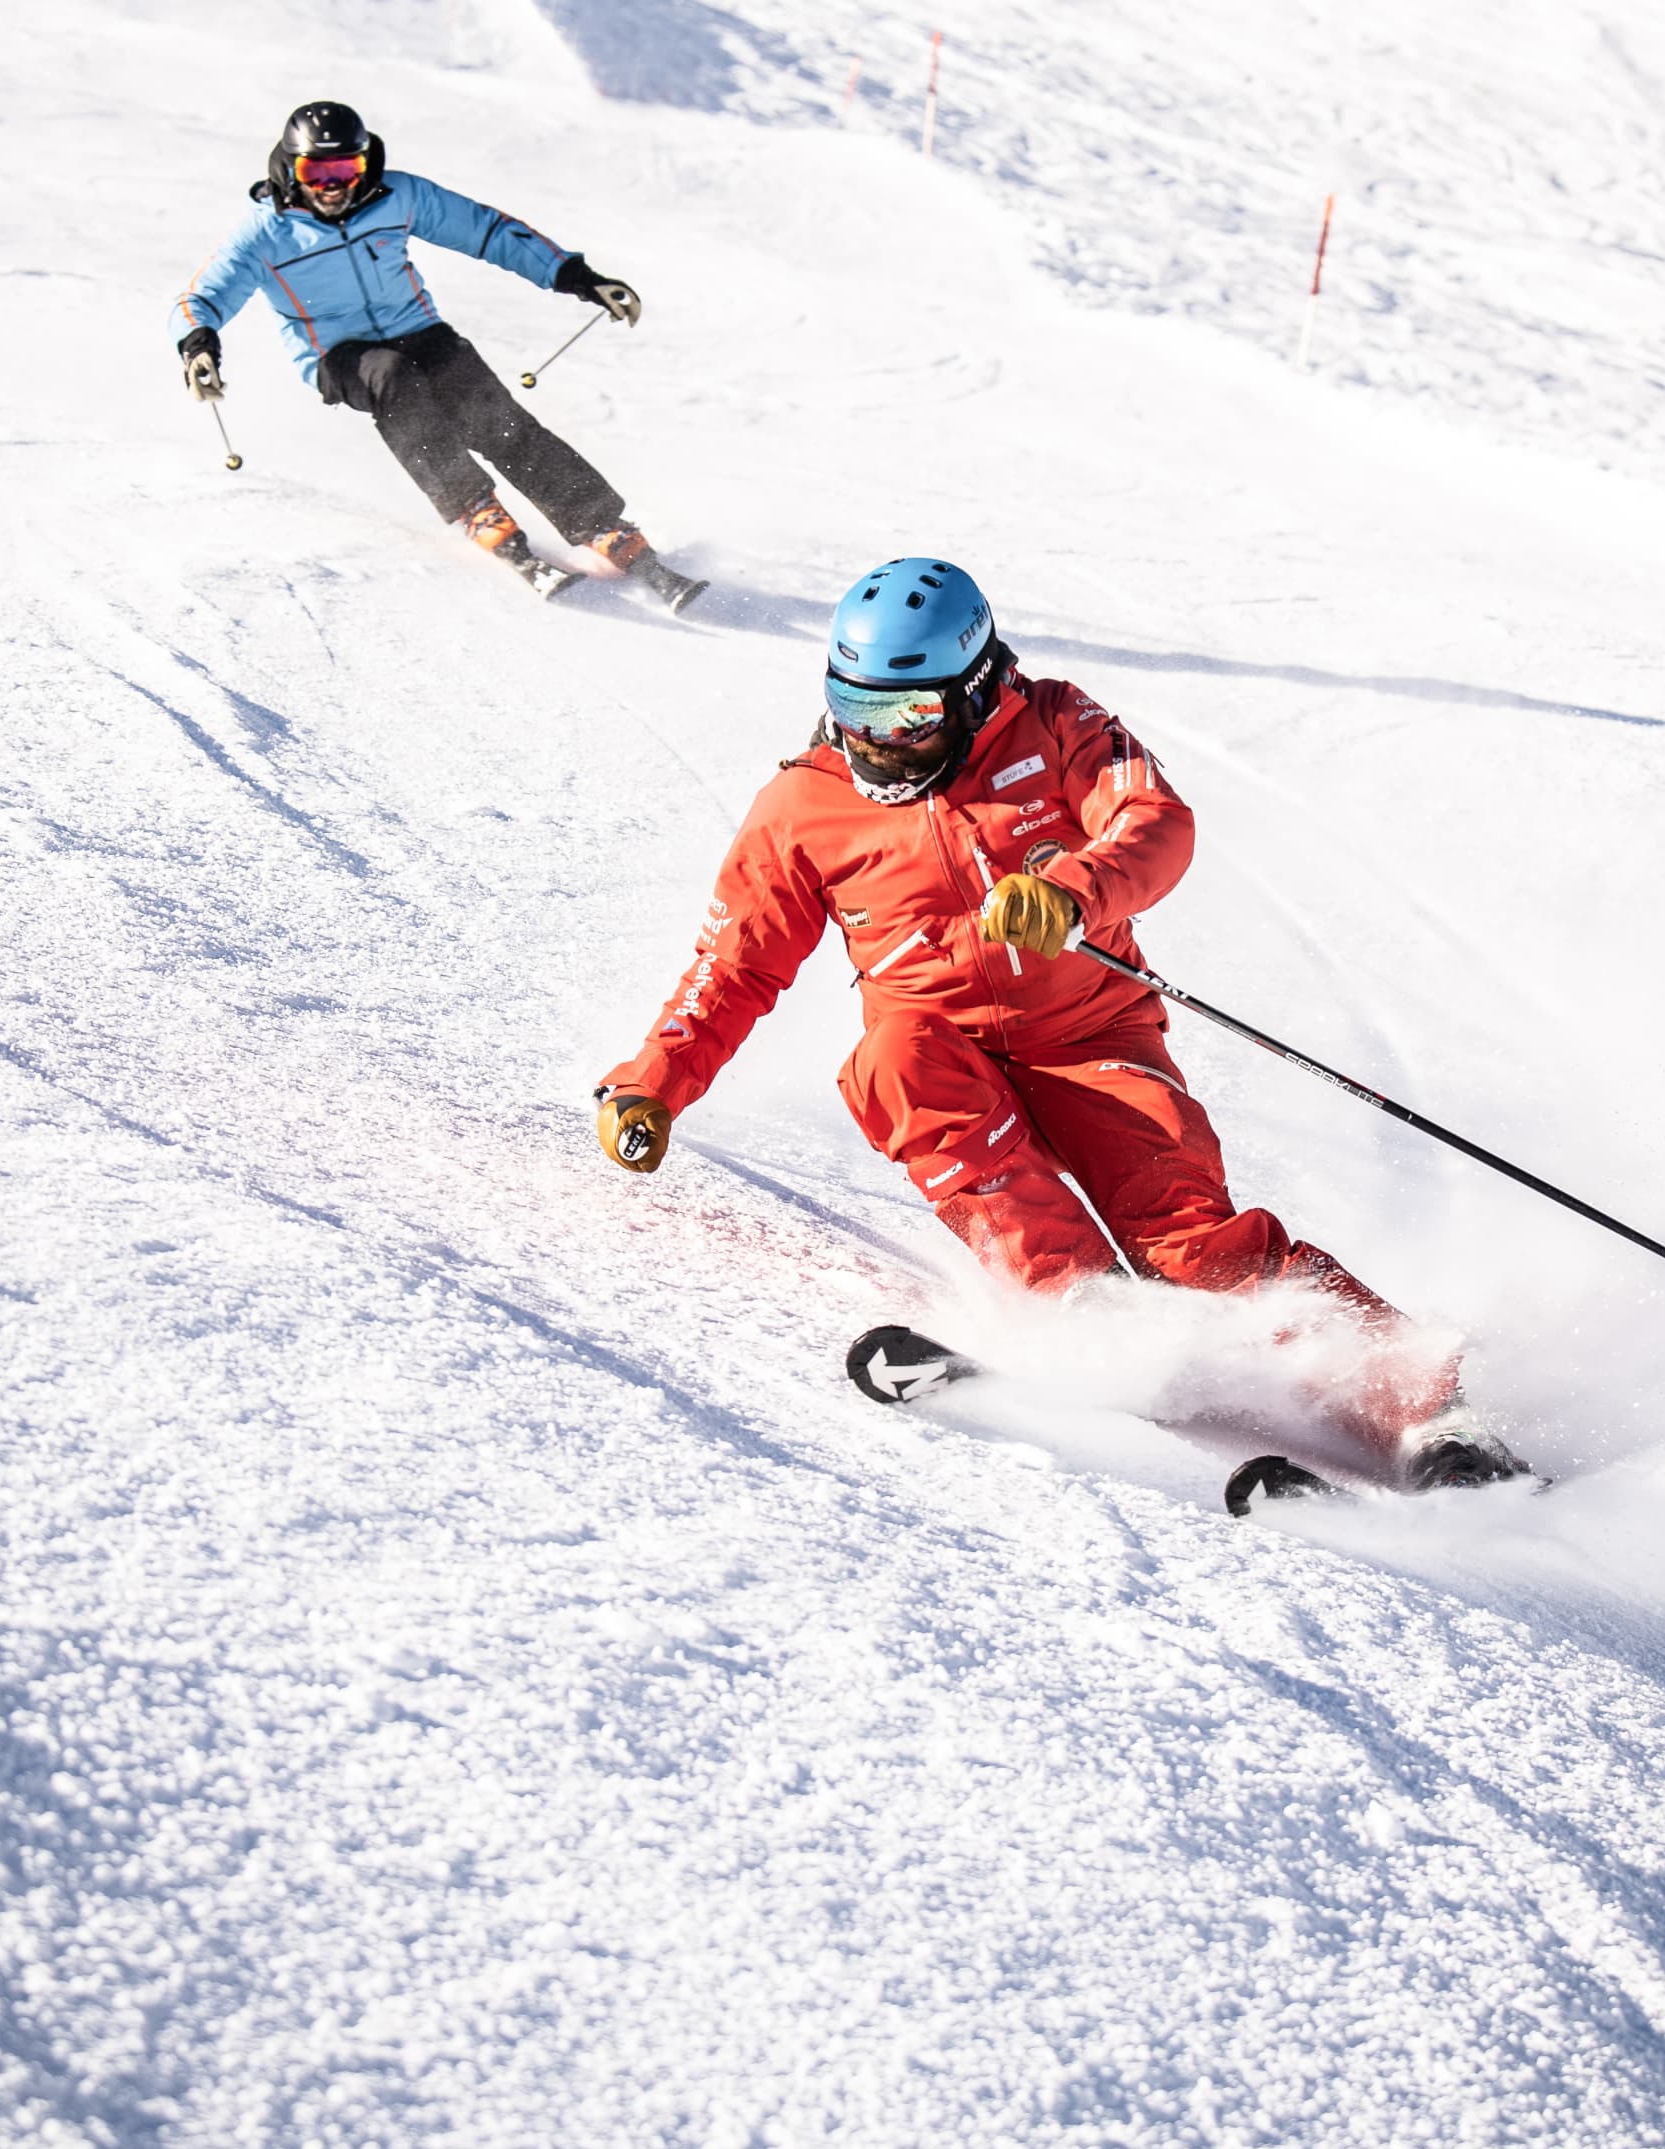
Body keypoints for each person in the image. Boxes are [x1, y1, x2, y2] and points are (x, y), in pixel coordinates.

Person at [592, 558, 1517, 1486]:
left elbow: (1157, 821)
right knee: (891, 1056)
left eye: (907, 720)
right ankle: (1081, 1307)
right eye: (855, 710)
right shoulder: (804, 806)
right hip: (946, 1056)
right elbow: (736, 962)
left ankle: (1432, 1417)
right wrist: (653, 1083)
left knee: (1191, 1246)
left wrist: (1074, 892)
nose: (876, 745)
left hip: (1091, 1039)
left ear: (973, 687)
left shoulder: (1056, 725)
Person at [171, 101, 701, 607]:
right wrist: (199, 346)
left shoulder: (396, 196)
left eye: (345, 170)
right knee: (392, 376)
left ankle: (602, 525)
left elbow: (487, 231)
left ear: (365, 162)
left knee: (495, 416)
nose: (333, 188)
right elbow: (202, 297)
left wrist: (577, 278)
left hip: (420, 329)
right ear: (291, 170)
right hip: (337, 355)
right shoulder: (266, 232)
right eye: (317, 173)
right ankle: (477, 510)